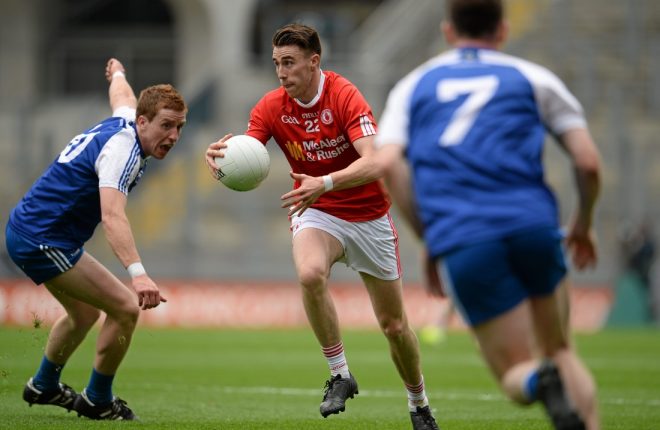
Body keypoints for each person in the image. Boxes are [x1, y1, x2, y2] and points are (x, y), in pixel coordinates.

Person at [374, 1, 601, 429]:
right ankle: (559, 378)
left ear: (447, 31)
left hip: (465, 236)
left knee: (516, 370)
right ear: (502, 30)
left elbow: (388, 165)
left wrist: (430, 237)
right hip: (535, 226)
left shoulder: (413, 85)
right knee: (562, 349)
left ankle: (538, 380)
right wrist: (583, 224)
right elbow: (587, 163)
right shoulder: (534, 77)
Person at [205, 23, 439, 430]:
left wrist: (326, 181)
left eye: (290, 63)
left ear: (314, 62)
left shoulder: (344, 95)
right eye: (277, 63)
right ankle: (340, 374)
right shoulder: (270, 107)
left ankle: (419, 405)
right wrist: (222, 161)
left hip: (368, 216)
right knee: (310, 273)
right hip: (316, 210)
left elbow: (375, 162)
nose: (281, 72)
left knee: (394, 326)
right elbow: (249, 154)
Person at [5, 58, 187, 420]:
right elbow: (112, 216)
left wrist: (117, 74)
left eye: (180, 127)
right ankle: (97, 400)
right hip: (42, 239)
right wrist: (138, 274)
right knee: (123, 307)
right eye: (167, 126)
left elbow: (122, 97)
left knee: (84, 312)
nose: (174, 136)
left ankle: (43, 386)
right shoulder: (122, 151)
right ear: (143, 122)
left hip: (35, 232)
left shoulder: (127, 119)